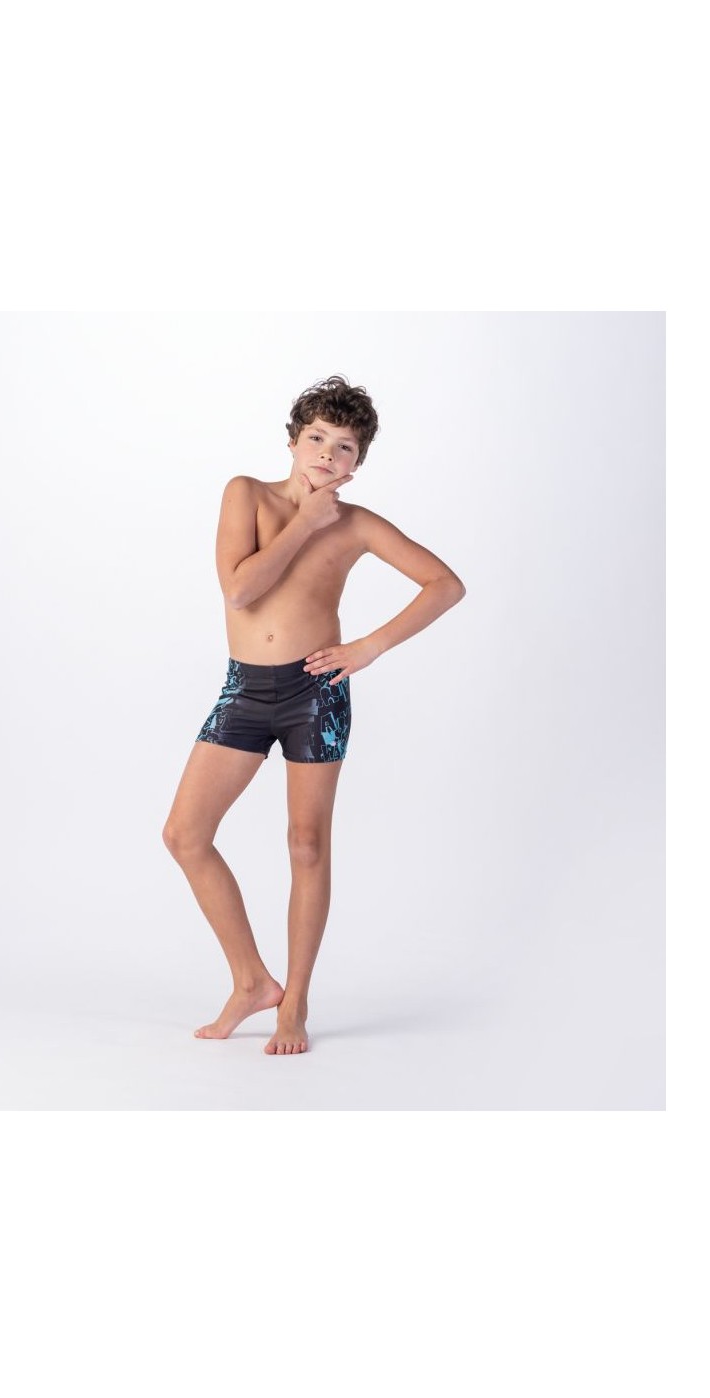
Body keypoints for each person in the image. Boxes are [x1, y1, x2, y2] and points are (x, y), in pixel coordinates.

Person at [161, 375, 466, 1054]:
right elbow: (240, 592)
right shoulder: (247, 494)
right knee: (185, 834)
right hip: (245, 691)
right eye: (317, 438)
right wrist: (305, 520)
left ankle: (294, 1001)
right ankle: (251, 981)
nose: (327, 454)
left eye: (344, 446)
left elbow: (445, 585)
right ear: (294, 442)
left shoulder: (359, 526)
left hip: (316, 693)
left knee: (306, 844)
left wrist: (368, 647)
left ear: (358, 463)